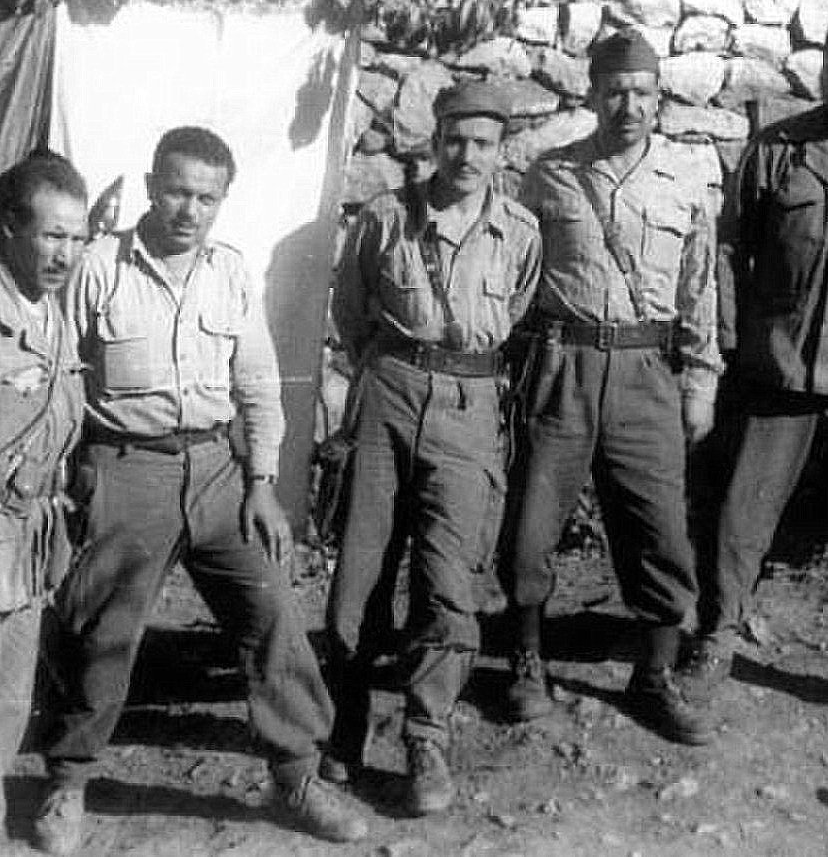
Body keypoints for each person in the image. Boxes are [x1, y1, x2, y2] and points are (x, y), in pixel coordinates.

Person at [32, 126, 367, 856]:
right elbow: (59, 380)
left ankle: (299, 775)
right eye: (178, 191)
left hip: (217, 469)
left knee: (271, 610)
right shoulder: (97, 268)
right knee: (101, 631)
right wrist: (70, 484)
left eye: (206, 197)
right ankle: (68, 779)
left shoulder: (229, 273)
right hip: (126, 469)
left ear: (222, 202)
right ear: (152, 185)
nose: (189, 209)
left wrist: (262, 484)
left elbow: (257, 387)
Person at [497, 29, 723, 744]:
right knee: (532, 524)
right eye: (616, 91)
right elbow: (517, 275)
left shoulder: (685, 184)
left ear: (660, 100)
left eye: (643, 93)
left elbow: (701, 291)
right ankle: (526, 663)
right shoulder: (550, 173)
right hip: (561, 364)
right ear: (592, 94)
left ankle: (653, 677)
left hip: (646, 372)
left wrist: (702, 381)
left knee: (658, 527)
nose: (629, 105)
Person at [326, 82, 541, 815]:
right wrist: (387, 374)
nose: (467, 156)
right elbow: (351, 310)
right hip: (389, 391)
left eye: (483, 143)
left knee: (450, 579)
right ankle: (344, 722)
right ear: (434, 138)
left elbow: (515, 311)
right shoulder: (386, 218)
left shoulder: (519, 230)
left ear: (501, 150)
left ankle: (427, 733)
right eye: (455, 139)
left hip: (470, 405)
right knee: (361, 567)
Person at [681, 5, 828, 694]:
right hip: (779, 374)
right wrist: (732, 345)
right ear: (822, 68)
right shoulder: (778, 149)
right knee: (738, 522)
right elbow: (732, 249)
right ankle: (718, 636)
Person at [0, 151, 88, 842]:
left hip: (26, 540)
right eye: (51, 235)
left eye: (77, 237)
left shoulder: (55, 313)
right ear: (10, 228)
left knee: (8, 697)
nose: (65, 253)